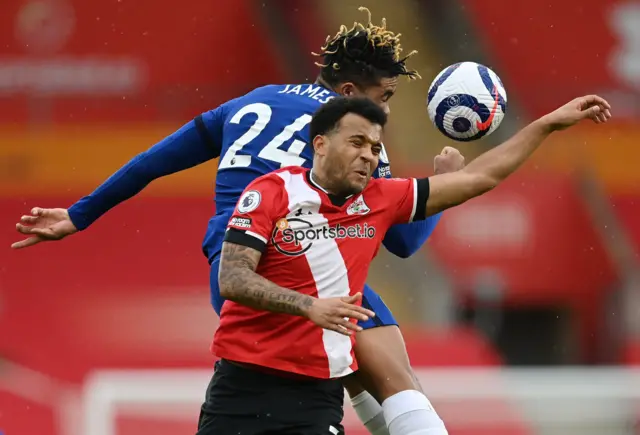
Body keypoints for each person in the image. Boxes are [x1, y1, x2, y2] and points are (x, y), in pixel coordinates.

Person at [11, 9, 464, 435]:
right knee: (393, 379)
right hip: (305, 265)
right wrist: (444, 185)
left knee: (346, 374)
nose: (382, 112)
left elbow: (153, 162)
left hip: (233, 277)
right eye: (382, 98)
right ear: (347, 93)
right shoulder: (353, 138)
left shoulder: (250, 103)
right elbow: (403, 242)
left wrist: (80, 213)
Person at [204, 93, 612, 435]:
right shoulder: (271, 192)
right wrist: (308, 305)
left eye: (375, 148)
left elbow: (480, 178)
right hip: (243, 384)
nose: (367, 155)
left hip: (315, 394)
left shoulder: (382, 197)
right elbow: (234, 278)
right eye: (356, 142)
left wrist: (546, 124)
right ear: (320, 144)